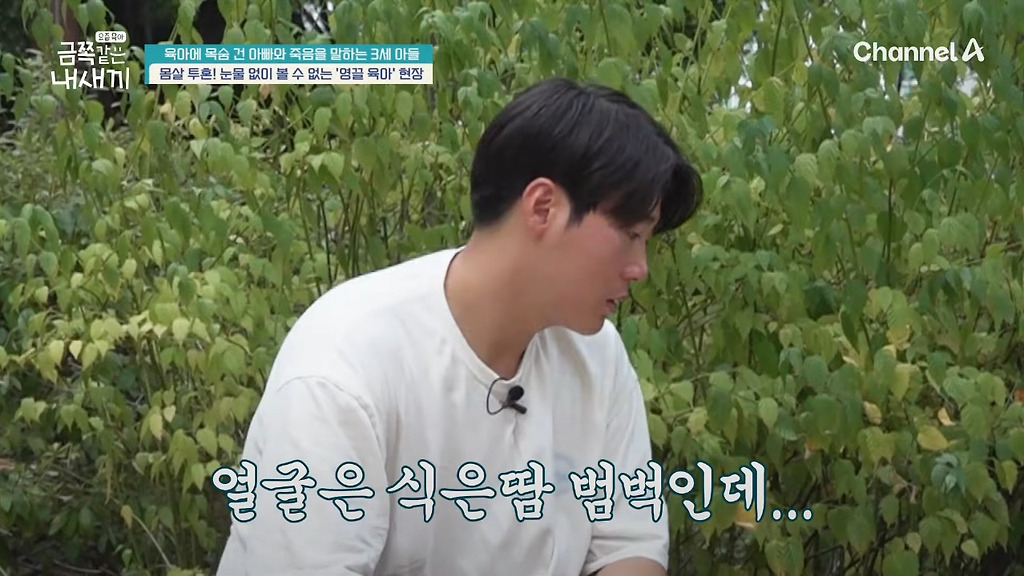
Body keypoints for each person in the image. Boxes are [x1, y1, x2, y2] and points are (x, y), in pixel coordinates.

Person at [214, 76, 703, 576]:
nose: (640, 268)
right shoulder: (343, 372)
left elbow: (627, 544)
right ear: (543, 208)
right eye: (630, 235)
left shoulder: (595, 353)